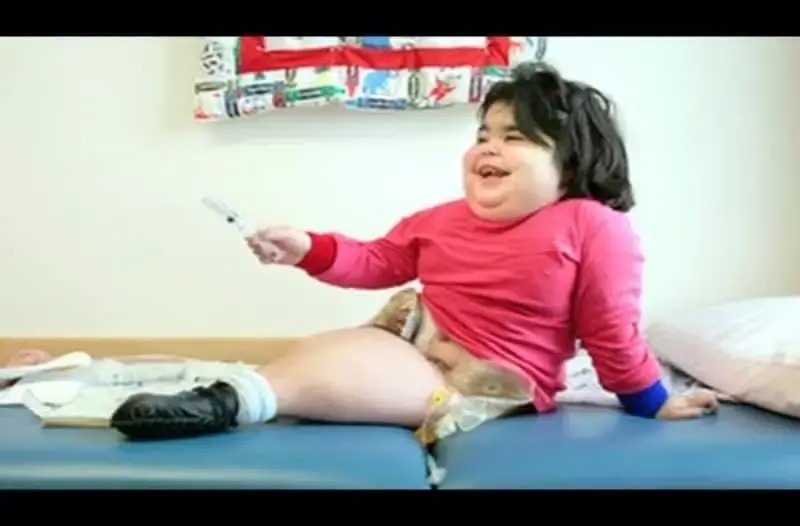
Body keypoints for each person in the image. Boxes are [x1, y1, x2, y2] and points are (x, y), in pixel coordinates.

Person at [109, 61, 718, 440]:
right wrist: (307, 249)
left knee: (345, 372)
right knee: (337, 351)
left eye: (514, 137)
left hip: (488, 379)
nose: (488, 148)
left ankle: (230, 402)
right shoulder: (441, 219)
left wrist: (649, 401)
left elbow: (611, 327)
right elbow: (376, 261)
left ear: (574, 162)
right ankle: (228, 396)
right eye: (483, 134)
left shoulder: (593, 224)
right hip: (415, 343)